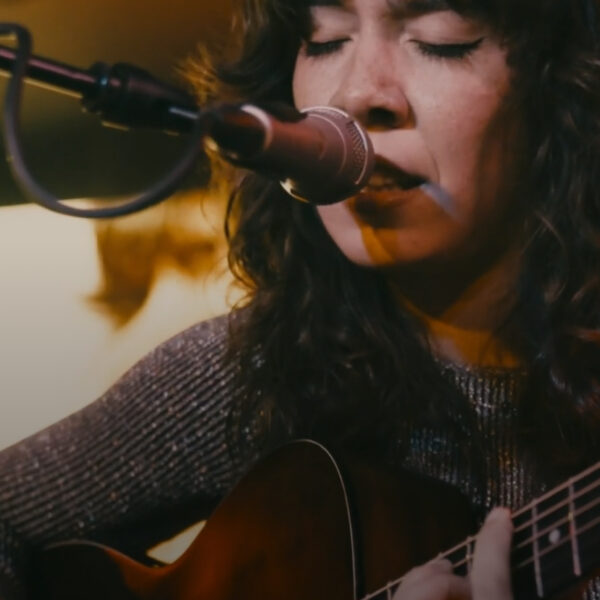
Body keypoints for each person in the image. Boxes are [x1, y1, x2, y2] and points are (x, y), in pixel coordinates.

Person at [1, 0, 600, 598]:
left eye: (440, 39)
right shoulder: (254, 373)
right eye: (325, 38)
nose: (357, 93)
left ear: (563, 88)